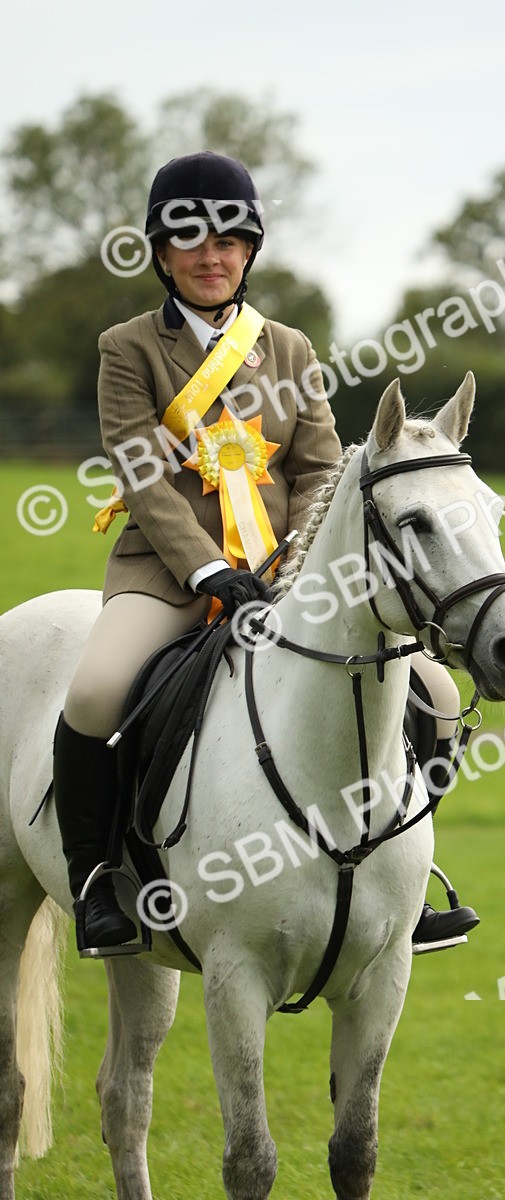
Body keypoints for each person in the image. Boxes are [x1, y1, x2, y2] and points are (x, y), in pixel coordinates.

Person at [53, 151, 478, 953]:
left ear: (248, 252)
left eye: (229, 241)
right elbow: (143, 474)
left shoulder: (286, 348)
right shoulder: (128, 348)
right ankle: (95, 883)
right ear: (161, 253)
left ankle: (408, 878)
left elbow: (322, 470)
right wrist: (210, 570)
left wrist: (300, 566)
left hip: (288, 574)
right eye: (192, 242)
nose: (211, 257)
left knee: (437, 695)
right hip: (169, 573)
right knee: (96, 694)